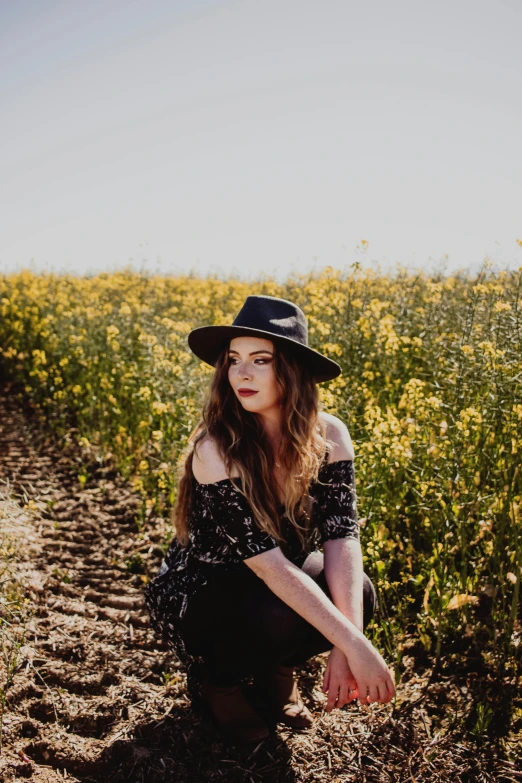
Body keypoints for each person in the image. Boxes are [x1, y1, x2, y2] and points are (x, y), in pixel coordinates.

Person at [144, 294, 395, 743]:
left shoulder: (329, 434)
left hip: (277, 582)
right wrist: (357, 647)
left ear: (292, 370)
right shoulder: (216, 449)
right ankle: (218, 684)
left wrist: (346, 641)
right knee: (277, 611)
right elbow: (269, 566)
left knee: (359, 591)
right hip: (208, 590)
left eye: (260, 360)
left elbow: (341, 536)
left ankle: (279, 671)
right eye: (234, 360)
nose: (241, 372)